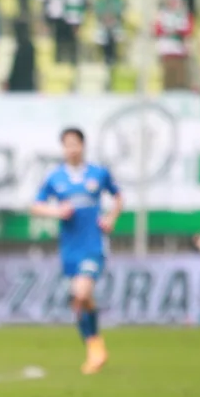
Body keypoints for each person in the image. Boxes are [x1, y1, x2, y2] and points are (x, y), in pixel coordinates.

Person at [29, 128, 122, 375]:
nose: (71, 149)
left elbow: (118, 197)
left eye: (75, 144)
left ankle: (94, 348)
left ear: (83, 146)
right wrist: (57, 212)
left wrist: (111, 218)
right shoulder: (55, 178)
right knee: (82, 300)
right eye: (67, 145)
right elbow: (36, 206)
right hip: (70, 248)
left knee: (81, 293)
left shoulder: (98, 174)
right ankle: (95, 346)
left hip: (93, 245)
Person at [155, 0, 192, 90]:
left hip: (179, 52)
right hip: (166, 52)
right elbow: (158, 30)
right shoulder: (163, 14)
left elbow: (188, 31)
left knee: (180, 80)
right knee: (168, 79)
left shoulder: (184, 15)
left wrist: (177, 32)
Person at [94, 0, 124, 65]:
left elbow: (118, 12)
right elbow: (99, 11)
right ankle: (106, 57)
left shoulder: (117, 0)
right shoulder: (102, 1)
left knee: (115, 39)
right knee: (103, 39)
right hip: (104, 24)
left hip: (114, 24)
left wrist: (112, 18)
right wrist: (105, 18)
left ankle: (113, 58)